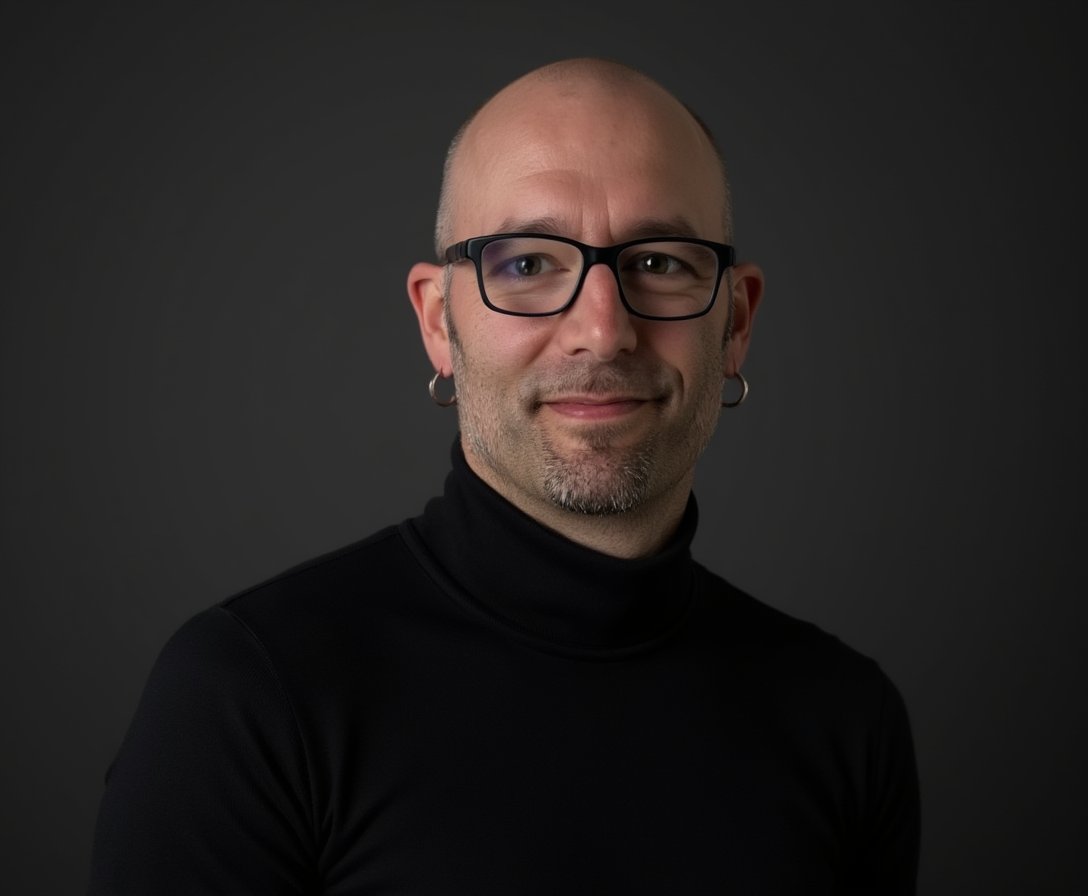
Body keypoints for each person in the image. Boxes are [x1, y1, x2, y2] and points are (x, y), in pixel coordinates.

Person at [88, 58, 920, 894]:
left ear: (735, 321)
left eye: (660, 262)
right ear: (438, 321)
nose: (603, 331)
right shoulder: (248, 700)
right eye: (527, 264)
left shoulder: (844, 720)